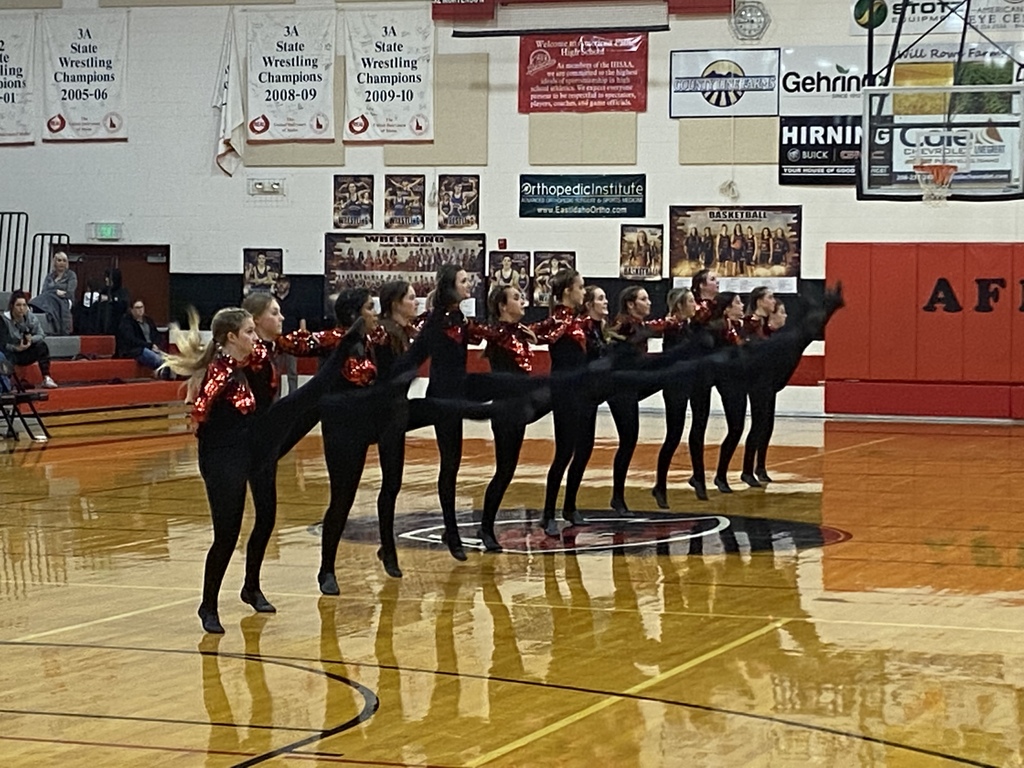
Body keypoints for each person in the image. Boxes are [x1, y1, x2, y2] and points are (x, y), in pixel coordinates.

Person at [161, 306, 355, 634]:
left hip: (257, 445)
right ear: (231, 337)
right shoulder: (219, 374)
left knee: (266, 517)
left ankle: (251, 587)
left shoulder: (256, 359)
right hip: (223, 456)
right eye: (249, 332)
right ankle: (208, 605)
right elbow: (201, 418)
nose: (255, 337)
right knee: (227, 535)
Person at [652, 287, 699, 509]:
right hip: (674, 386)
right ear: (680, 305)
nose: (695, 305)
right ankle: (660, 485)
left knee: (679, 434)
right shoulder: (672, 327)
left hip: (688, 383)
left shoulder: (687, 326)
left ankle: (665, 485)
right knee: (673, 436)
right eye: (690, 301)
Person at [3, 291, 57, 389]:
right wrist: (16, 348)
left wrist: (30, 340)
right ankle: (7, 382)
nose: (21, 308)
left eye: (24, 305)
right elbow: (2, 343)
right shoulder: (4, 320)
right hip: (10, 352)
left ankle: (46, 377)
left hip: (25, 350)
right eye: (18, 305)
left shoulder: (30, 317)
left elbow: (41, 334)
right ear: (12, 306)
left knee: (41, 346)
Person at [30, 251, 77, 335]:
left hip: (65, 300)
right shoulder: (50, 276)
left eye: (64, 260)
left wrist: (53, 291)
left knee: (48, 299)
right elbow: (44, 291)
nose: (62, 263)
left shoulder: (71, 275)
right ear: (55, 262)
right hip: (49, 298)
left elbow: (69, 292)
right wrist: (55, 291)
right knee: (47, 297)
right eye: (59, 260)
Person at [115, 299, 165, 374]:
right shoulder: (126, 322)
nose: (140, 310)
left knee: (167, 359)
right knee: (157, 359)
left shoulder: (148, 321)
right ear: (132, 310)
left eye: (141, 307)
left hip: (151, 348)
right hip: (136, 350)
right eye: (137, 308)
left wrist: (156, 344)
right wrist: (149, 345)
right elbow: (131, 339)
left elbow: (156, 334)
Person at [271, 276, 301, 395]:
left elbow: (301, 319)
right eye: (279, 282)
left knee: (292, 372)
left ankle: (293, 397)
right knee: (275, 372)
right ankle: (275, 398)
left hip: (291, 340)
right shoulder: (272, 301)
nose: (281, 285)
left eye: (283, 282)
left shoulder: (295, 300)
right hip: (276, 340)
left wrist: (301, 337)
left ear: (288, 284)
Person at [99, 268, 130, 335]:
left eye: (108, 277)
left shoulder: (122, 292)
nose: (106, 279)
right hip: (103, 326)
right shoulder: (104, 291)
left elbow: (123, 304)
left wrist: (110, 299)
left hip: (117, 326)